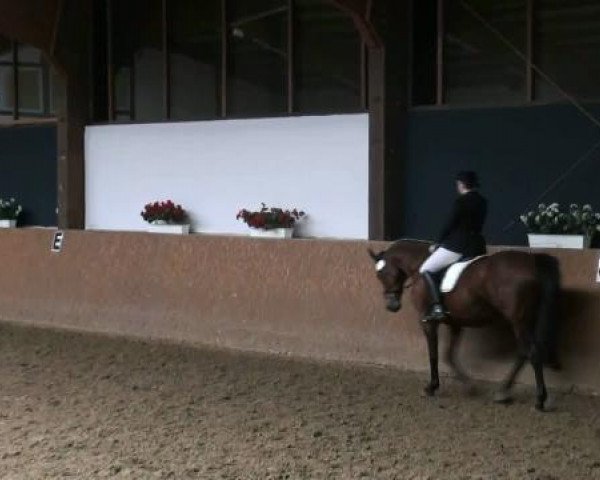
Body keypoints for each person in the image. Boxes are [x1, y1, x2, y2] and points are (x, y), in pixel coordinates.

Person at [420, 171, 488, 322]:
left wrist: (437, 243)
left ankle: (438, 308)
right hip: (477, 245)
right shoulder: (483, 201)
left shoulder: (461, 202)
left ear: (461, 184)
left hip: (457, 245)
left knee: (426, 269)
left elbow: (449, 224)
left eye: (458, 184)